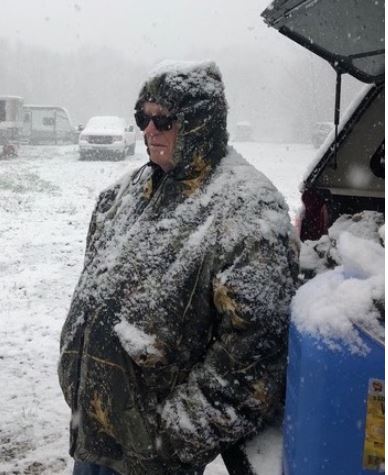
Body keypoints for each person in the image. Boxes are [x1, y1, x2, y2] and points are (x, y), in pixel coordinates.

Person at [58, 60, 298, 475]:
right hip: (94, 432)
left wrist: (169, 438)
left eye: (163, 120)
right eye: (142, 117)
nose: (148, 131)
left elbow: (253, 359)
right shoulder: (126, 193)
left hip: (154, 456)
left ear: (199, 124)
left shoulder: (247, 209)